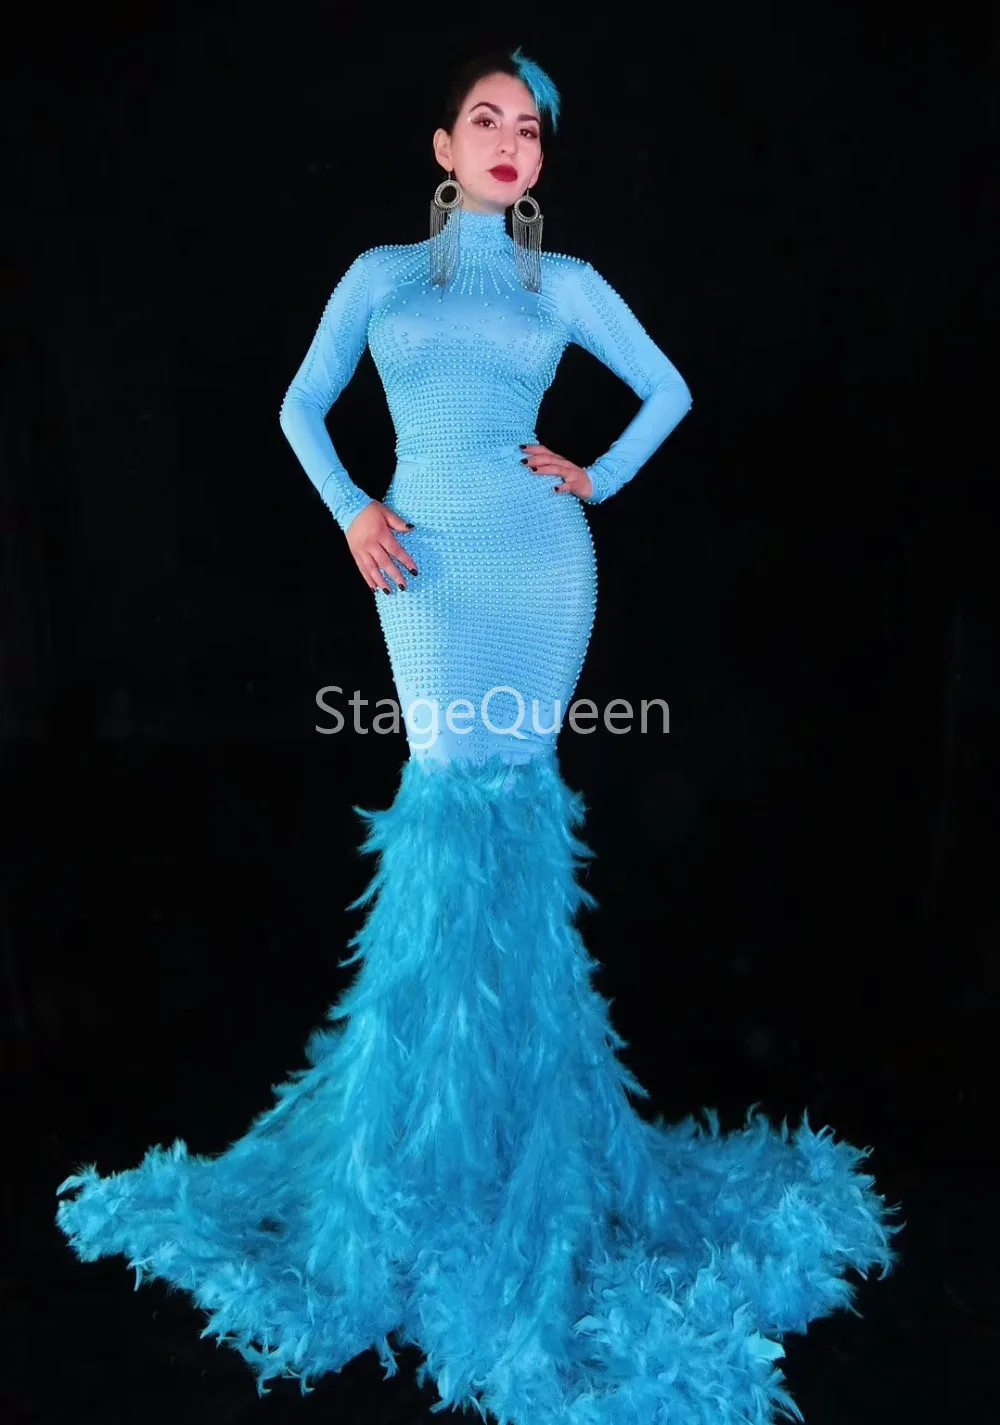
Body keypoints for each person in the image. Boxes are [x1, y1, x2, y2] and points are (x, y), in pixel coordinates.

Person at [57, 46, 897, 1425]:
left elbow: (669, 391)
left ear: (540, 161)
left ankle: (524, 1145)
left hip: (539, 563)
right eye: (487, 121)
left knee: (518, 810)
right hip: (428, 568)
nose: (513, 142)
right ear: (444, 147)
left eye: (532, 129)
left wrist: (594, 476)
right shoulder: (385, 276)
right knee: (446, 808)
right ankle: (424, 1149)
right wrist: (352, 511)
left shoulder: (563, 285)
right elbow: (300, 405)